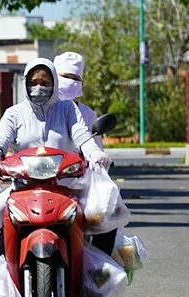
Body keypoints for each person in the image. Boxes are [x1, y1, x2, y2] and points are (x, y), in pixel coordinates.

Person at [0, 57, 111, 257]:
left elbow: (82, 135)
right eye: (34, 83)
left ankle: (94, 269)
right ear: (25, 84)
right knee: (1, 208)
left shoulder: (68, 109)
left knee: (99, 211)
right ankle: (2, 263)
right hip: (23, 189)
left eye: (45, 83)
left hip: (67, 186)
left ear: (54, 83)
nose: (39, 87)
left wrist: (94, 152)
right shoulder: (14, 114)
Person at [54, 51, 119, 255]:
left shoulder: (87, 114)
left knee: (106, 214)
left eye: (75, 78)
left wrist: (99, 160)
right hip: (36, 180)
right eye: (65, 76)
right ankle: (2, 264)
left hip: (76, 182)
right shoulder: (35, 109)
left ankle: (99, 270)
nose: (70, 82)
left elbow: (96, 148)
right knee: (3, 210)